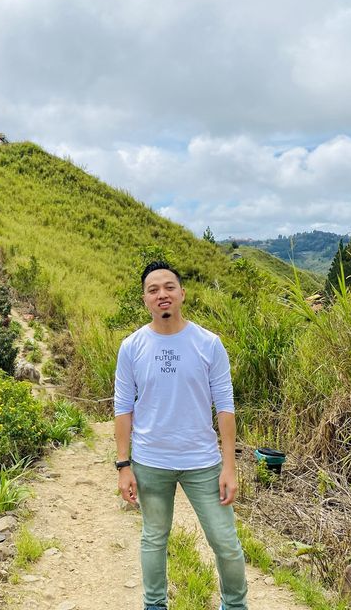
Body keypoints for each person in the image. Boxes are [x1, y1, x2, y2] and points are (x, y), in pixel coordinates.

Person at [114, 260, 248, 610]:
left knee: (226, 542)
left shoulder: (208, 343)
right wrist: (123, 465)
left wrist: (229, 466)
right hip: (150, 462)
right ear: (144, 299)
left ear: (182, 294)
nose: (162, 295)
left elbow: (226, 408)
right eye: (153, 289)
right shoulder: (131, 347)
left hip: (203, 462)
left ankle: (235, 605)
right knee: (154, 539)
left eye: (169, 287)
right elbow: (122, 409)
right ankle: (154, 605)